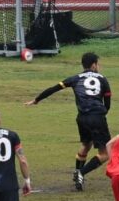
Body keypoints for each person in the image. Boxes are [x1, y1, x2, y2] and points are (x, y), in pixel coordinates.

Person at [26, 51, 112, 190]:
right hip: (97, 117)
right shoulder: (103, 79)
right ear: (94, 65)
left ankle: (78, 178)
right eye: (98, 64)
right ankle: (81, 173)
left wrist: (37, 100)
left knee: (86, 145)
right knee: (105, 154)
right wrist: (101, 114)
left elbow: (54, 88)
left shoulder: (75, 78)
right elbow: (107, 103)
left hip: (82, 118)